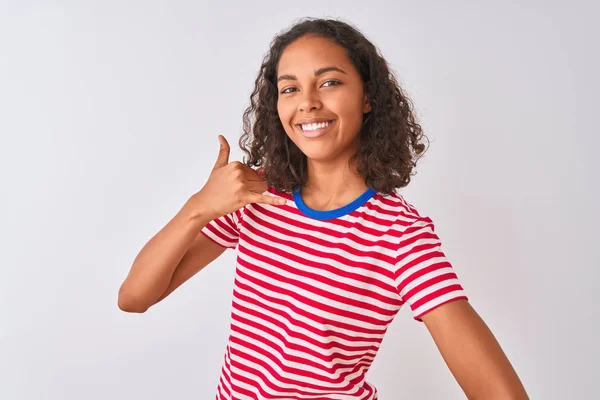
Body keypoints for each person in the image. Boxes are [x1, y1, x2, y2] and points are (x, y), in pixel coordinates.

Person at [118, 17, 529, 400]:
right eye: (290, 88)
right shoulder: (258, 197)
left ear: (367, 97)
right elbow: (134, 297)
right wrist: (198, 207)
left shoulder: (400, 235)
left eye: (329, 82)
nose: (308, 103)